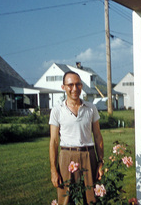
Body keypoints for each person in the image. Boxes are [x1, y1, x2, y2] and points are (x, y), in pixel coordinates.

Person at [49, 71, 104, 204]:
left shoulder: (91, 108)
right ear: (63, 87)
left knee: (91, 199)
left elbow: (97, 136)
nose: (75, 88)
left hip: (88, 156)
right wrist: (53, 170)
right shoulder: (57, 110)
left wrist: (100, 162)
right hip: (66, 157)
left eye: (78, 84)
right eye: (70, 85)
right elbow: (54, 141)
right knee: (65, 199)